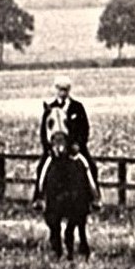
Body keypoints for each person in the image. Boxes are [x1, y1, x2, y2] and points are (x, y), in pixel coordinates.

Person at [32, 76, 97, 205]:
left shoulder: (77, 107)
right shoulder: (50, 108)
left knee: (91, 166)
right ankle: (39, 198)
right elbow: (44, 131)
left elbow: (84, 128)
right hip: (55, 148)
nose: (63, 92)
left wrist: (78, 144)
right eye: (60, 89)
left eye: (65, 89)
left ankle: (94, 198)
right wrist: (49, 147)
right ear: (56, 89)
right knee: (41, 167)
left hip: (74, 148)